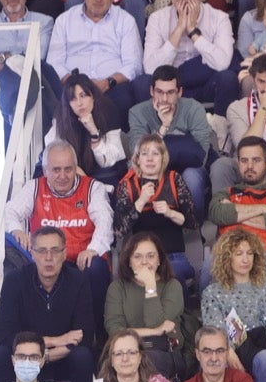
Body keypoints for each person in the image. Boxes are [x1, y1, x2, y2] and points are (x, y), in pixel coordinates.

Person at [0, 227, 98, 382]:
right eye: (42, 251)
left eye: (55, 251)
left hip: (63, 358)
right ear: (32, 253)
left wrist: (43, 357)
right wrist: (55, 341)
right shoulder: (15, 280)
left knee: (83, 356)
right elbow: (4, 335)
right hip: (23, 360)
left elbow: (84, 335)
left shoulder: (78, 280)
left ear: (64, 253)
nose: (48, 258)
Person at [7, 143, 115, 293]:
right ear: (45, 171)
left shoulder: (93, 188)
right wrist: (16, 230)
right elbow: (10, 211)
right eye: (56, 170)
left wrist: (93, 249)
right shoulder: (34, 187)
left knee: (95, 266)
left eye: (68, 169)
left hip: (82, 258)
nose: (63, 176)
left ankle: (95, 317)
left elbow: (105, 221)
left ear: (75, 168)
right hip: (48, 258)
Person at [202, 228, 266, 382]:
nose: (245, 259)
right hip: (232, 349)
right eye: (239, 253)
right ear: (227, 257)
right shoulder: (212, 292)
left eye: (250, 253)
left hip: (265, 346)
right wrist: (227, 350)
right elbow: (214, 331)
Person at [208, 135, 266, 301]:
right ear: (238, 163)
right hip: (230, 250)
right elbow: (217, 213)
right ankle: (210, 325)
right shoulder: (226, 193)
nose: (249, 166)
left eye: (256, 160)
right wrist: (263, 210)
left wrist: (235, 214)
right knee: (209, 264)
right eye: (244, 161)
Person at [50, 0, 144, 116]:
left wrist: (107, 82)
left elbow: (134, 65)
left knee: (125, 99)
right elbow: (54, 62)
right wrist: (76, 84)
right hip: (72, 86)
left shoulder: (125, 20)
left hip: (112, 87)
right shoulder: (64, 20)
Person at [124, 64, 216, 210]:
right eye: (159, 92)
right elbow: (137, 152)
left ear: (179, 92)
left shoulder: (194, 108)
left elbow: (202, 155)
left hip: (190, 168)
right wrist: (164, 126)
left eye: (170, 92)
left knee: (191, 176)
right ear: (151, 91)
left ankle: (193, 229)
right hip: (152, 170)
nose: (164, 98)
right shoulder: (137, 112)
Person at [142, 0, 237, 110]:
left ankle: (221, 128)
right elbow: (150, 68)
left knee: (228, 78)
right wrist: (179, 29)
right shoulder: (157, 19)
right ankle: (158, 130)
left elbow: (222, 63)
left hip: (205, 82)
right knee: (142, 83)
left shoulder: (219, 18)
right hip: (171, 87)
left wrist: (193, 31)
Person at [113, 136, 198, 286]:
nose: (150, 159)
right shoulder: (128, 185)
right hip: (141, 259)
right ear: (137, 159)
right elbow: (120, 230)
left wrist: (170, 213)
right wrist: (141, 201)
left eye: (155, 153)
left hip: (172, 255)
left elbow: (192, 221)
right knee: (142, 278)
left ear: (163, 158)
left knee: (174, 274)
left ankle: (179, 309)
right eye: (145, 154)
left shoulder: (174, 179)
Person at [106, 233, 189, 380]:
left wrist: (150, 286)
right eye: (137, 256)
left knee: (148, 361)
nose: (144, 262)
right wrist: (156, 331)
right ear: (129, 261)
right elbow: (115, 331)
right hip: (127, 353)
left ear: (159, 260)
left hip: (164, 352)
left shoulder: (172, 285)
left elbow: (156, 323)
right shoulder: (117, 287)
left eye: (151, 256)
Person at [44, 69, 124, 184]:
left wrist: (93, 130)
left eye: (83, 96)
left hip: (104, 173)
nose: (79, 103)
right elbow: (52, 148)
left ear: (92, 96)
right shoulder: (63, 115)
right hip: (76, 174)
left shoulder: (108, 111)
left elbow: (108, 161)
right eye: (73, 99)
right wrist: (75, 169)